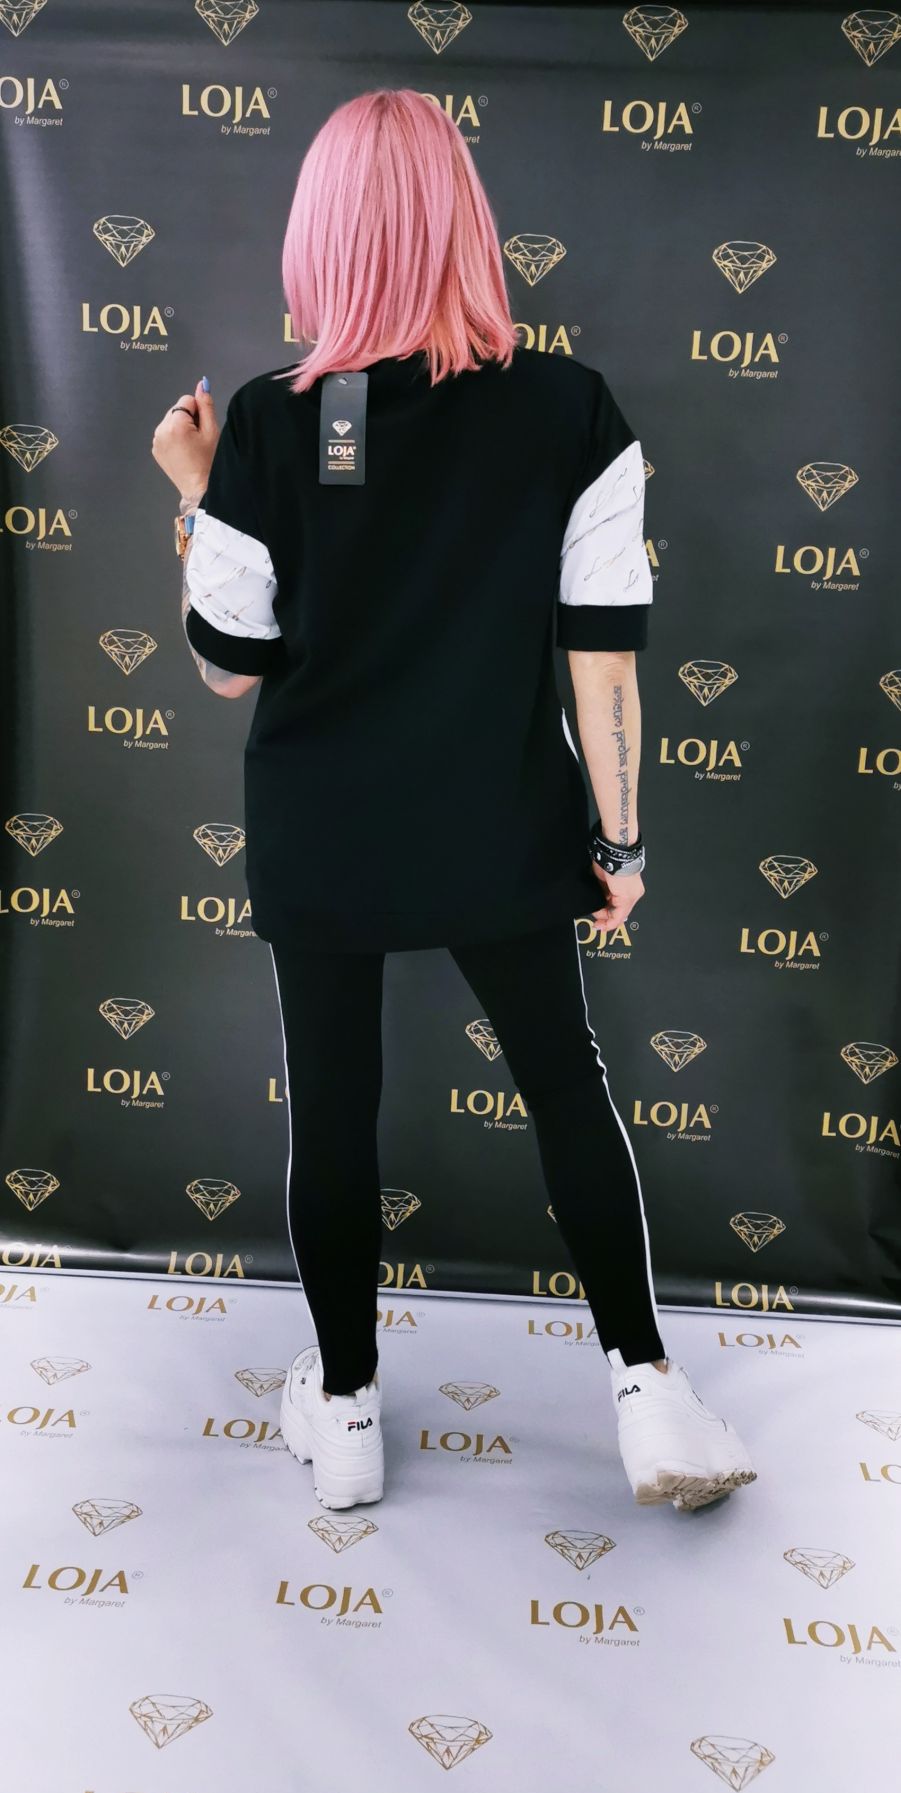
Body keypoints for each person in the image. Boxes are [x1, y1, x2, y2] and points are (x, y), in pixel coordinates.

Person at [151, 87, 756, 1517]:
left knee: (333, 1109)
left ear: (323, 233)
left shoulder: (267, 419)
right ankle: (647, 1387)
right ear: (463, 223)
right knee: (565, 1083)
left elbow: (228, 668)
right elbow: (603, 657)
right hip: (499, 814)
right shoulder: (570, 405)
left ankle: (347, 1411)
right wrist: (620, 841)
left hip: (323, 826)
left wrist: (193, 493)